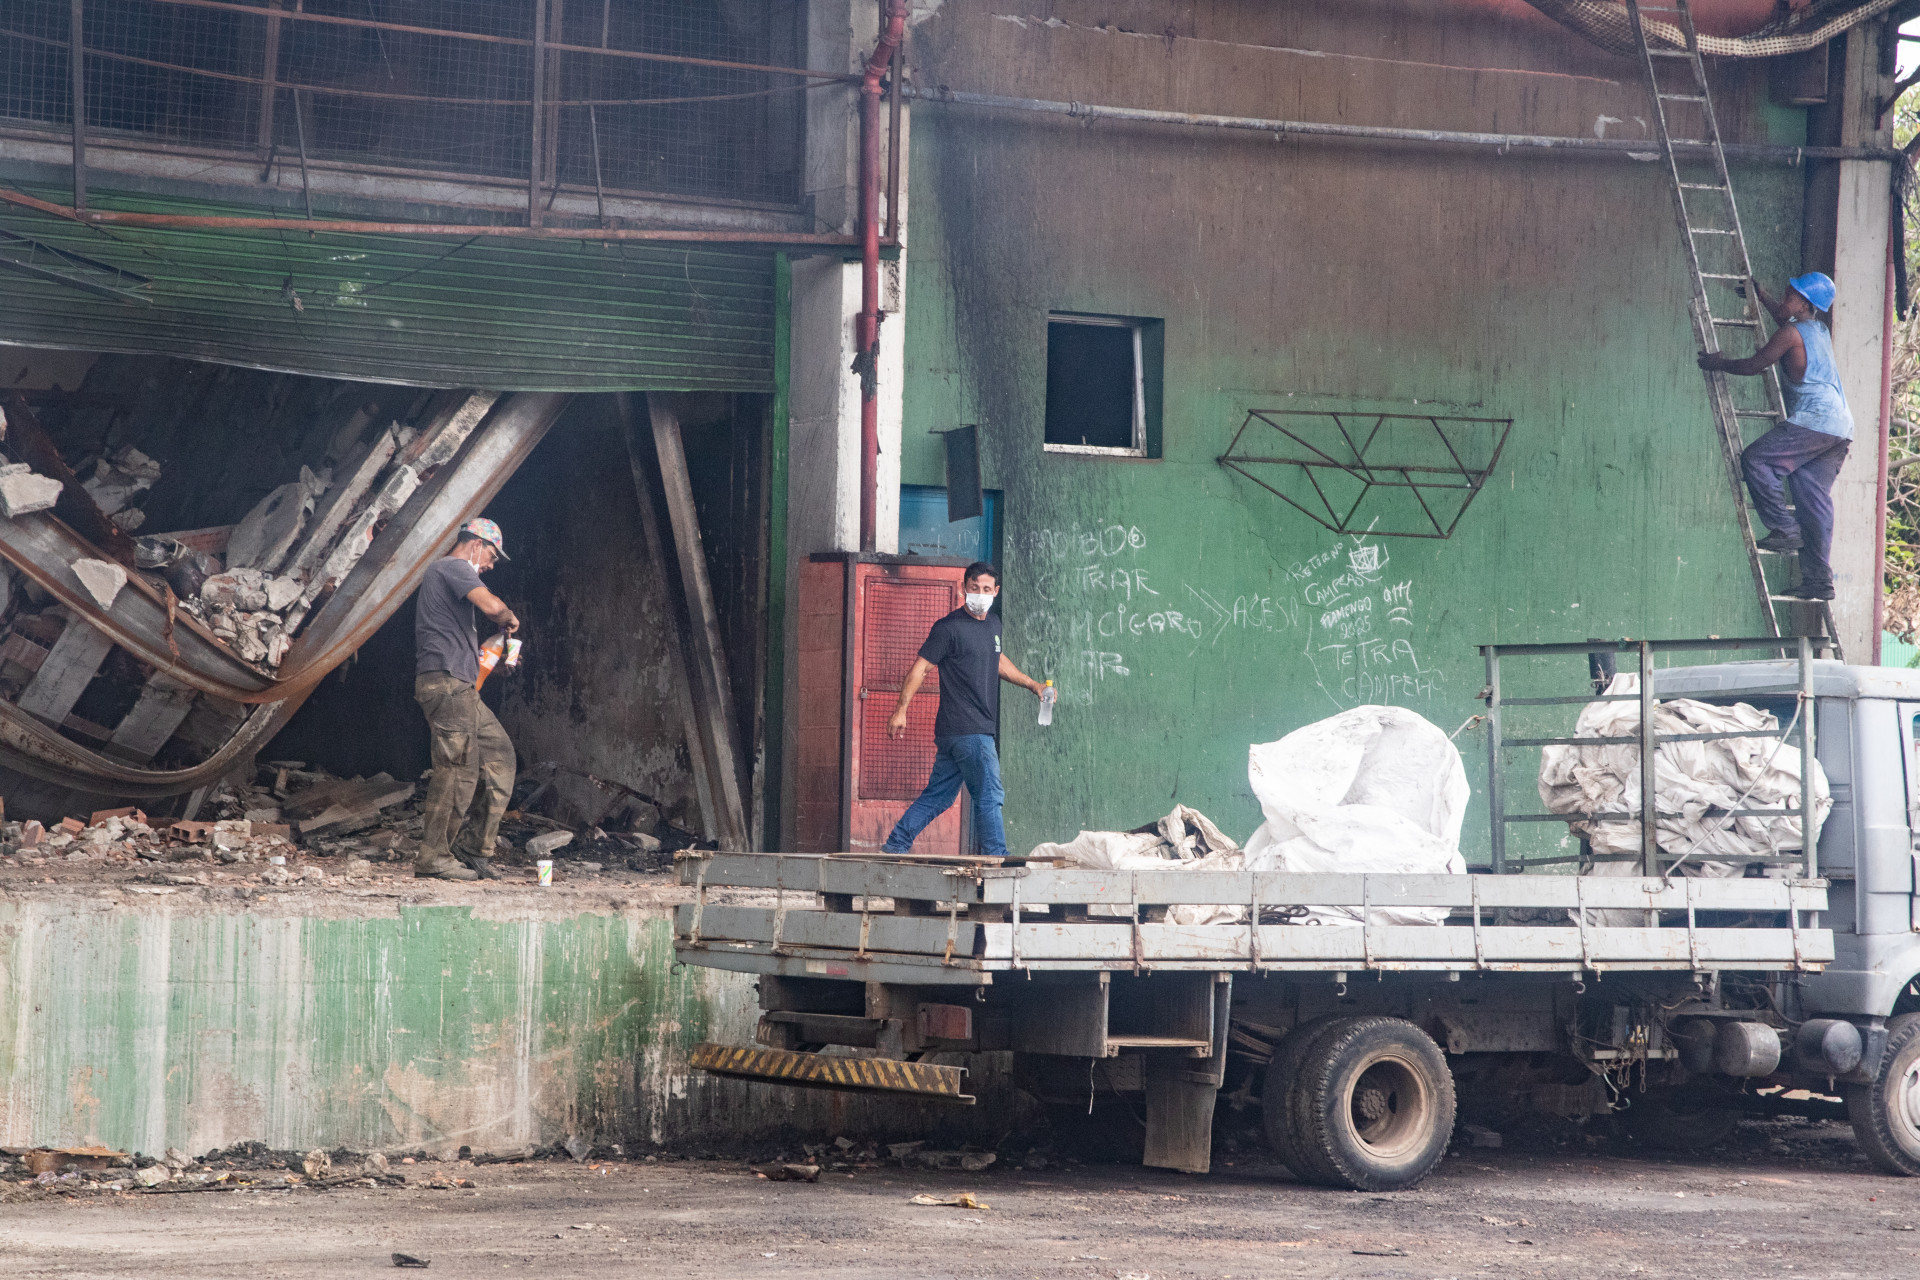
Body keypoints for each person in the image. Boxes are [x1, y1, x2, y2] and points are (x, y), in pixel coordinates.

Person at [1697, 272, 1854, 603]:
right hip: (1839, 429)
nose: (1784, 299)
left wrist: (1718, 363)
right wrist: (1762, 294)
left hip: (1815, 421)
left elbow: (1756, 365)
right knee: (1812, 500)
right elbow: (1784, 316)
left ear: (1803, 303)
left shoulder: (1790, 333)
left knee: (1755, 460)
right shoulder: (1817, 329)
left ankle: (1784, 528)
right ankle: (1819, 581)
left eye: (1789, 295)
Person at [881, 562, 1046, 860]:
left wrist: (1032, 684)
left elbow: (996, 660)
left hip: (957, 734)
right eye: (974, 588)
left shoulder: (993, 625)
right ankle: (997, 856)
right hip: (970, 731)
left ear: (996, 592)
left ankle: (895, 845)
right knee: (990, 794)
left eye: (986, 589)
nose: (979, 594)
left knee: (939, 797)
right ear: (963, 588)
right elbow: (920, 669)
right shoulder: (948, 629)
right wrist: (900, 710)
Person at [412, 517, 520, 881]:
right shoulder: (452, 566)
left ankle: (472, 848)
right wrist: (507, 618)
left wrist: (493, 664)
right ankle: (434, 857)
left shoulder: (451, 581)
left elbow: (469, 652)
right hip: (446, 684)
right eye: (490, 556)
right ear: (474, 544)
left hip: (461, 686)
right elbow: (491, 607)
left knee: (499, 755)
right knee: (457, 769)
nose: (489, 566)